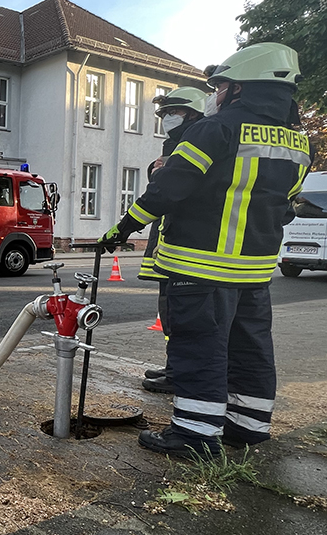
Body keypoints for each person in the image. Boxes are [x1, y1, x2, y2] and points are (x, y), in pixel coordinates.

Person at [99, 42, 308, 458]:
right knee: (250, 349)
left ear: (240, 87)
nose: (216, 94)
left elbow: (167, 190)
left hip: (201, 266)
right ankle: (247, 427)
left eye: (220, 86)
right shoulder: (300, 144)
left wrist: (122, 229)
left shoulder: (216, 130)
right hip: (255, 272)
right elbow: (286, 205)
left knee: (199, 349)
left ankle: (194, 435)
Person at [139, 87, 208, 395]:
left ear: (192, 113)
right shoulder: (174, 144)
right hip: (169, 245)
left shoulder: (200, 141)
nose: (167, 118)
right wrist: (155, 171)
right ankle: (175, 367)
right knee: (169, 313)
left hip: (190, 249)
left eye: (173, 112)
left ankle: (183, 374)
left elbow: (180, 190)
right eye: (164, 113)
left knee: (183, 317)